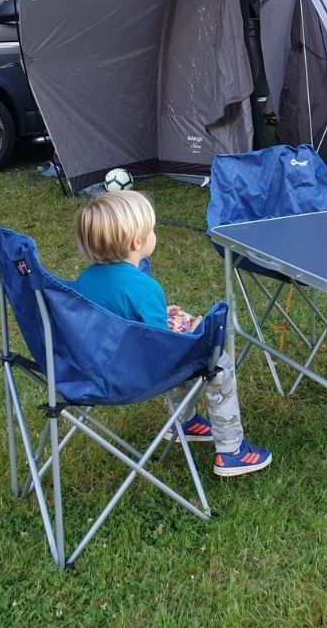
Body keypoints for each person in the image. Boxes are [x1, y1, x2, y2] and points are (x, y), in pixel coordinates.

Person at [71, 190, 273, 477]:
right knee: (218, 362)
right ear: (137, 242)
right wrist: (191, 331)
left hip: (96, 367)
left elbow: (119, 321)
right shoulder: (144, 288)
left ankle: (185, 422)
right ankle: (231, 451)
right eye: (151, 230)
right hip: (137, 375)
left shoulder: (85, 280)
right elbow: (162, 345)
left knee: (178, 334)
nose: (155, 234)